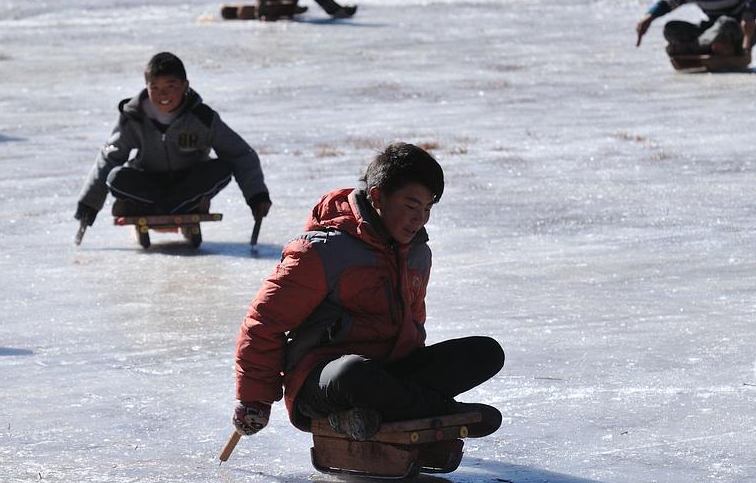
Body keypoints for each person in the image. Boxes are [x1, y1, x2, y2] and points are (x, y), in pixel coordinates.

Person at [231, 143, 504, 442]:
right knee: (355, 374)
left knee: (485, 352)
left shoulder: (416, 254)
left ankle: (392, 409)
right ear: (377, 198)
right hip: (325, 381)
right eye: (411, 207)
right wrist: (255, 399)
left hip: (388, 373)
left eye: (427, 209)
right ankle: (439, 412)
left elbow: (414, 322)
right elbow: (263, 321)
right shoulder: (323, 250)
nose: (420, 219)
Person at [74, 52, 271, 228]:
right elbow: (109, 157)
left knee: (222, 168)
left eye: (171, 86)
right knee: (115, 177)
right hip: (149, 181)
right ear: (147, 87)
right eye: (155, 88)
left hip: (189, 182)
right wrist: (89, 204)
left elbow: (239, 153)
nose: (163, 95)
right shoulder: (133, 117)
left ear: (185, 86)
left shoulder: (202, 118)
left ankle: (152, 208)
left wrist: (256, 195)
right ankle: (178, 206)